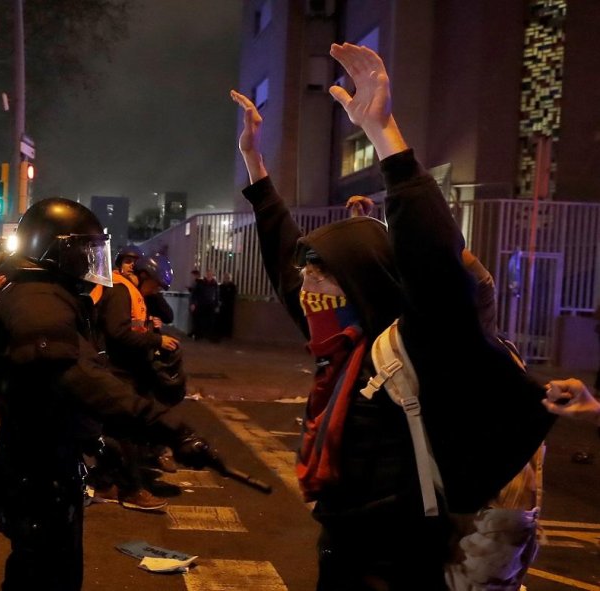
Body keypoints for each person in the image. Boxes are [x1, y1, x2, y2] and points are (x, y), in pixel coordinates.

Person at [232, 43, 556, 589]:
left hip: (404, 563)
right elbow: (283, 256)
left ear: (360, 279)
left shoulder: (420, 342)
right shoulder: (343, 346)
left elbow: (433, 257)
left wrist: (386, 138)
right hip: (344, 548)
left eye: (322, 275)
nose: (307, 290)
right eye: (307, 277)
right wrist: (255, 168)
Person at [0, 197, 217, 591]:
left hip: (42, 460)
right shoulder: (36, 301)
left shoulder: (45, 294)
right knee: (43, 573)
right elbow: (76, 376)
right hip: (37, 469)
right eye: (83, 252)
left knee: (44, 568)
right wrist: (167, 427)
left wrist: (92, 439)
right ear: (56, 250)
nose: (91, 264)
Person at [91, 251, 180, 510]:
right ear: (144, 275)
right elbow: (117, 332)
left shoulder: (130, 291)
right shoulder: (121, 291)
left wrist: (151, 334)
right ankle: (132, 490)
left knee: (117, 432)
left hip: (123, 370)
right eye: (156, 285)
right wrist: (156, 340)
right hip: (114, 371)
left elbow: (131, 328)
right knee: (126, 432)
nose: (157, 291)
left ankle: (106, 484)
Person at [189, 268, 219, 340]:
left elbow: (217, 295)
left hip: (210, 305)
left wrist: (217, 305)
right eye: (208, 274)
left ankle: (209, 335)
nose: (209, 275)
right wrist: (193, 303)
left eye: (211, 274)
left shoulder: (215, 284)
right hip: (201, 304)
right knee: (199, 320)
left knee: (210, 321)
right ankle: (199, 335)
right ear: (206, 274)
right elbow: (195, 294)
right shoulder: (200, 283)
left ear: (212, 275)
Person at [218, 271, 237, 339]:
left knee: (229, 320)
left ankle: (228, 335)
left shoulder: (233, 286)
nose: (227, 279)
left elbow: (233, 296)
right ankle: (221, 334)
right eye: (225, 277)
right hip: (222, 306)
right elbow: (219, 295)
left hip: (229, 306)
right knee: (221, 320)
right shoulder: (221, 286)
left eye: (228, 277)